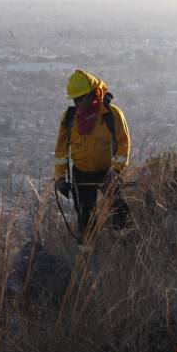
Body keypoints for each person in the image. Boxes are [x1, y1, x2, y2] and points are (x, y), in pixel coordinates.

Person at [53, 70, 131, 247]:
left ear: (94, 94)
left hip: (107, 173)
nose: (78, 103)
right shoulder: (70, 118)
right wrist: (59, 178)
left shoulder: (112, 115)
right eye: (75, 99)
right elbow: (61, 151)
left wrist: (116, 170)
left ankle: (124, 248)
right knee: (85, 221)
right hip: (81, 175)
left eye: (82, 98)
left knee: (120, 211)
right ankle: (87, 259)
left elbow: (123, 144)